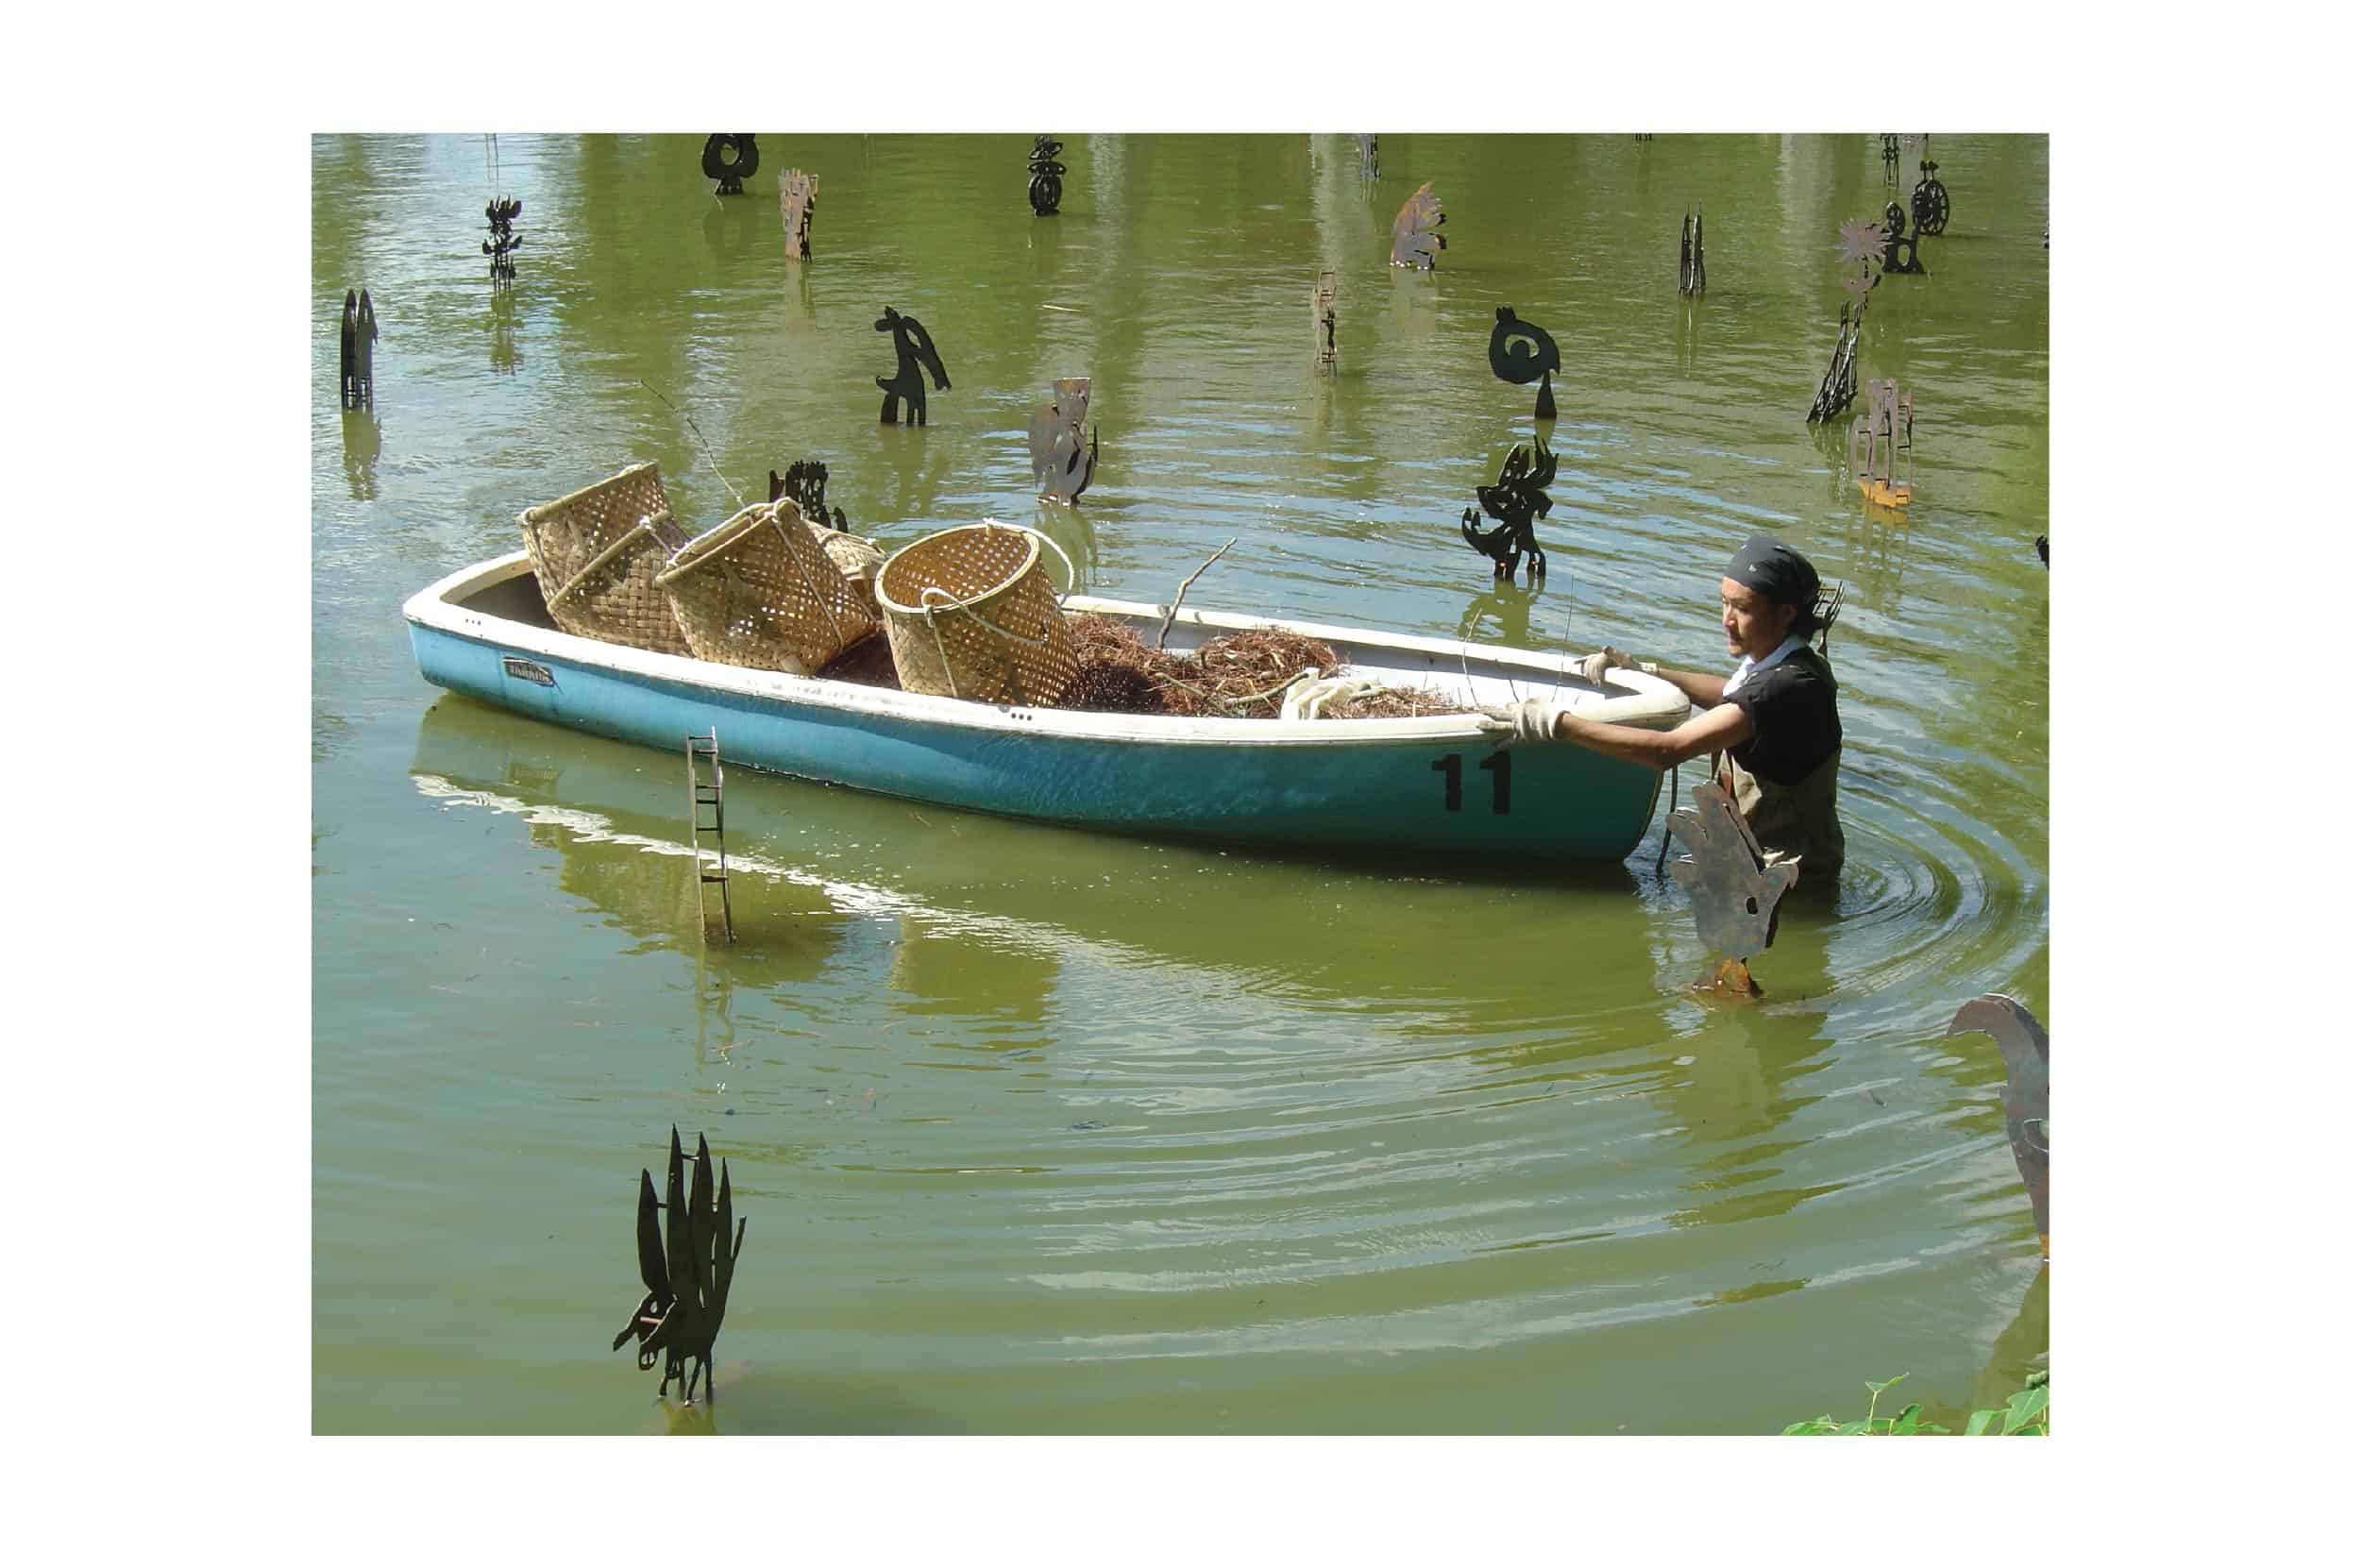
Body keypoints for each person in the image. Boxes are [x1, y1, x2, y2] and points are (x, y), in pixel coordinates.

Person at [1490, 535, 1845, 883]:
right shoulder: (1795, 664)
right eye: (1725, 602)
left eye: (1743, 608)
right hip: (1757, 869)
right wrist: (1648, 673)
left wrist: (1557, 723)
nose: (1727, 619)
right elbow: (1732, 693)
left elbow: (1667, 750)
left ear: (1786, 614)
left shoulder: (1785, 686)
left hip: (1782, 884)